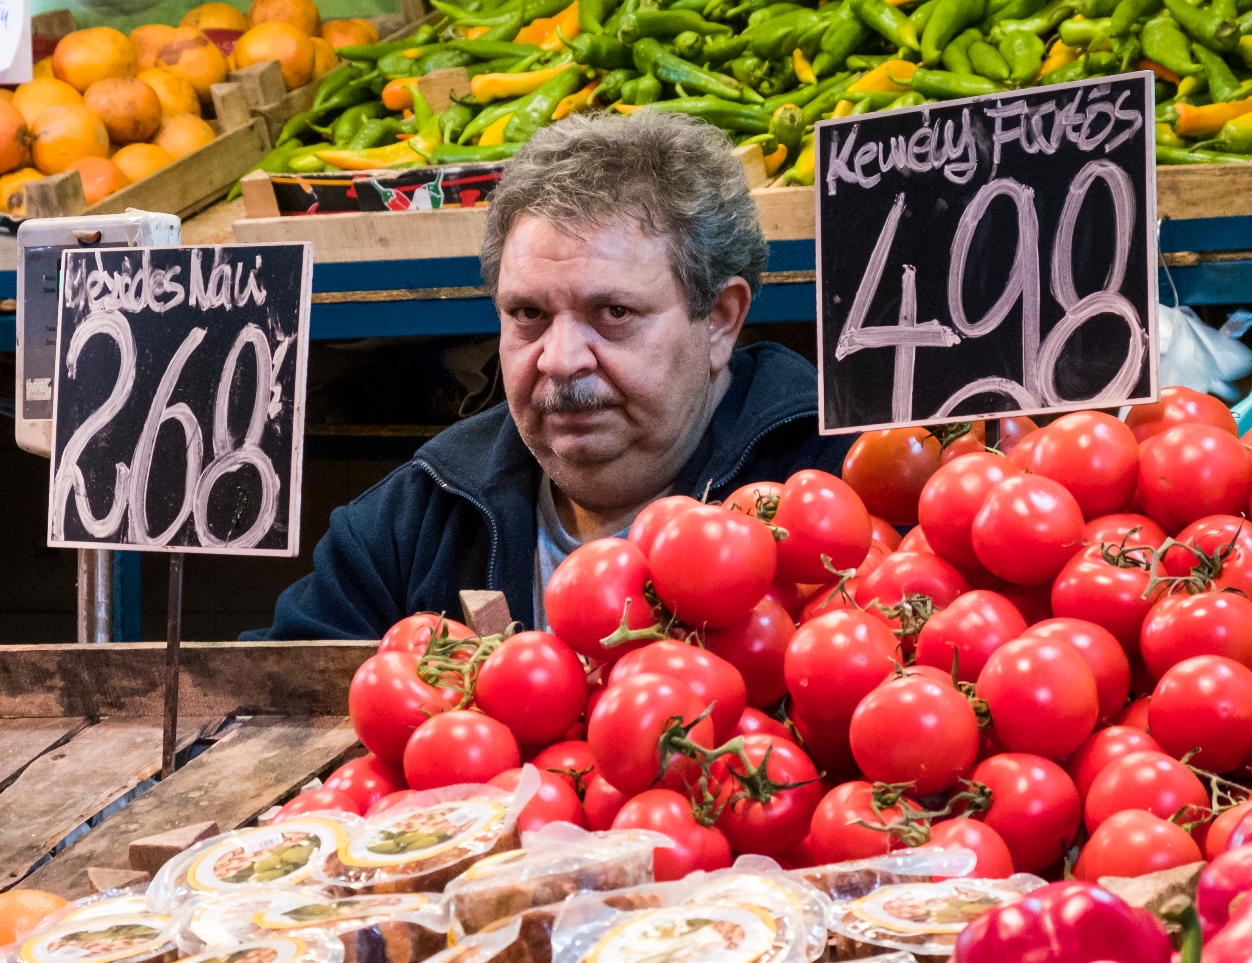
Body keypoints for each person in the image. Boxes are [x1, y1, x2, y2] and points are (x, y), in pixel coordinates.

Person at [254, 109, 839, 640]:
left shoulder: (833, 492)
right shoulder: (410, 521)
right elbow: (269, 711)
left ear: (718, 319)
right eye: (528, 314)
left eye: (613, 314)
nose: (559, 360)